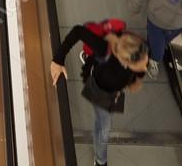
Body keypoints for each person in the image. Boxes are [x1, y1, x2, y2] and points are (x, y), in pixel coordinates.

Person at [51, 26, 148, 166]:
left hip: (106, 77)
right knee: (104, 127)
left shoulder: (136, 49)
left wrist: (136, 77)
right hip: (102, 91)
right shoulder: (106, 54)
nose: (145, 68)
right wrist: (58, 60)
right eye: (141, 65)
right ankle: (100, 161)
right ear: (125, 61)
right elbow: (78, 31)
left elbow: (139, 67)